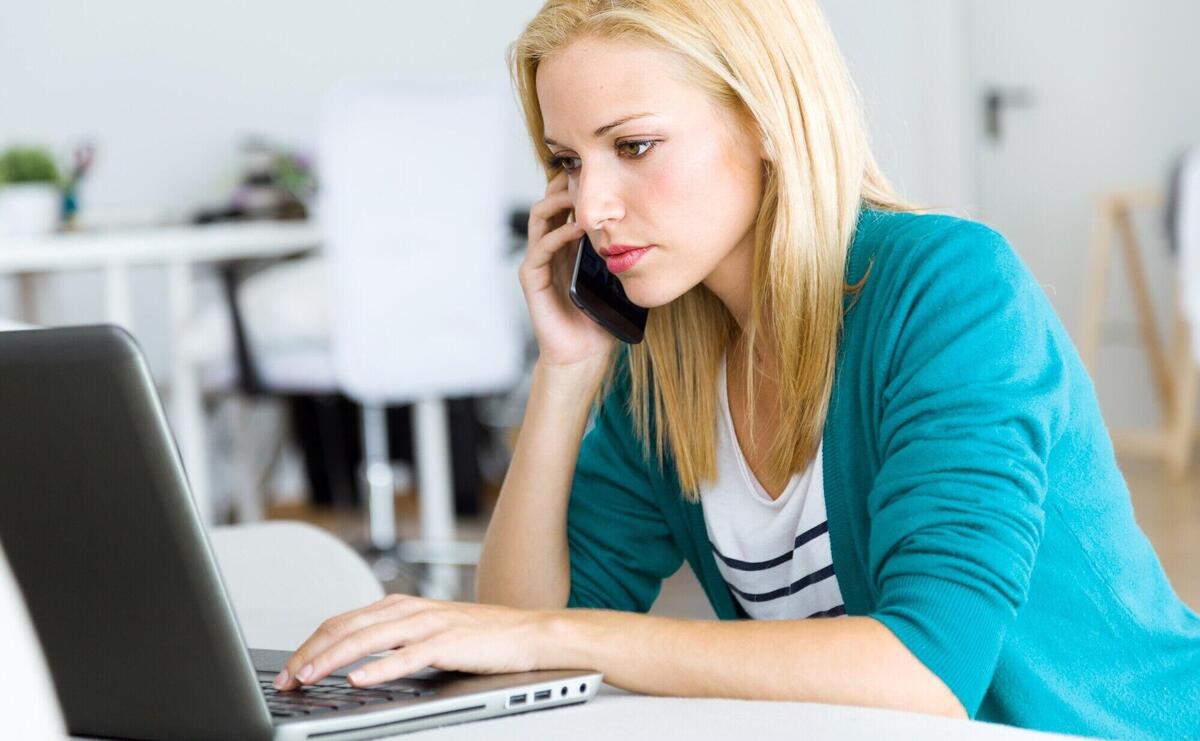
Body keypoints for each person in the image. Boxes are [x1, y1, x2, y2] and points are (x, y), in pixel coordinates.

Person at [275, 1, 1200, 736]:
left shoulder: (948, 286)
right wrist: (565, 376)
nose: (592, 206)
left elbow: (924, 669)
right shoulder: (666, 358)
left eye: (633, 146)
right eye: (567, 160)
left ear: (765, 119)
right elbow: (525, 642)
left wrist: (546, 633)